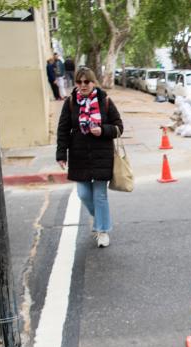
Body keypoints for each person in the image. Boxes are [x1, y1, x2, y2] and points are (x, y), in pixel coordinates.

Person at [56, 67, 124, 247]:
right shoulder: (71, 102)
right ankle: (102, 217)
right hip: (79, 155)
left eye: (87, 81)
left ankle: (102, 231)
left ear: (93, 82)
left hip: (102, 154)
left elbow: (119, 127)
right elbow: (63, 130)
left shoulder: (105, 101)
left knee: (100, 196)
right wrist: (61, 154)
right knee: (84, 194)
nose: (83, 85)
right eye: (79, 82)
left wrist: (102, 130)